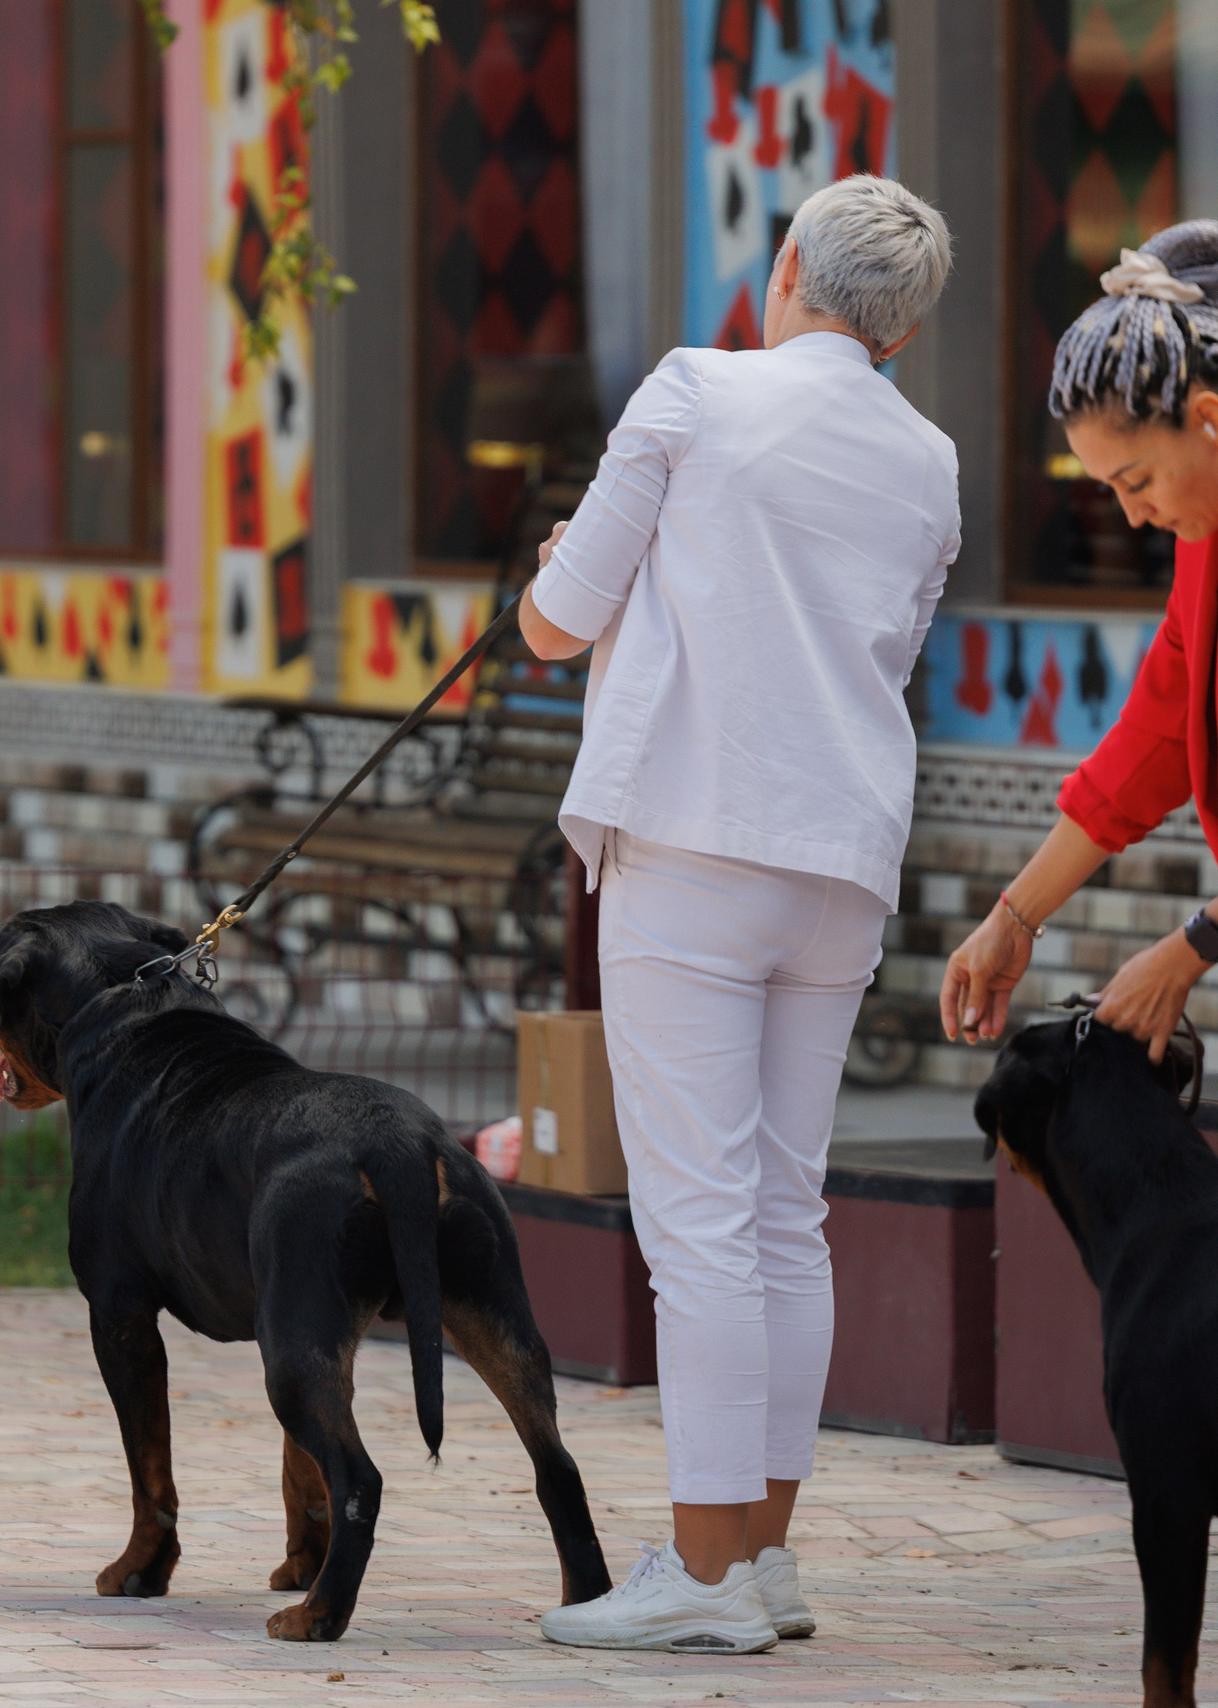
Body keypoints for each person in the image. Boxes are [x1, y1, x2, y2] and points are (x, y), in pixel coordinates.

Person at [515, 175, 958, 1654]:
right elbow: (883, 646)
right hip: (838, 855)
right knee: (783, 1214)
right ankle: (761, 1560)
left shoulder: (696, 388)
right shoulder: (930, 458)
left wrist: (553, 570)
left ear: (787, 273)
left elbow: (556, 619)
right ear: (900, 327)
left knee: (700, 1222)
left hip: (696, 841)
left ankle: (702, 1577)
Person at [944, 223, 1218, 1070]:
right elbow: (1156, 737)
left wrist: (1189, 950)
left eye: (1136, 481)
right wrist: (1014, 916)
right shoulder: (1202, 540)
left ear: (1209, 417)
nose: (1132, 517)